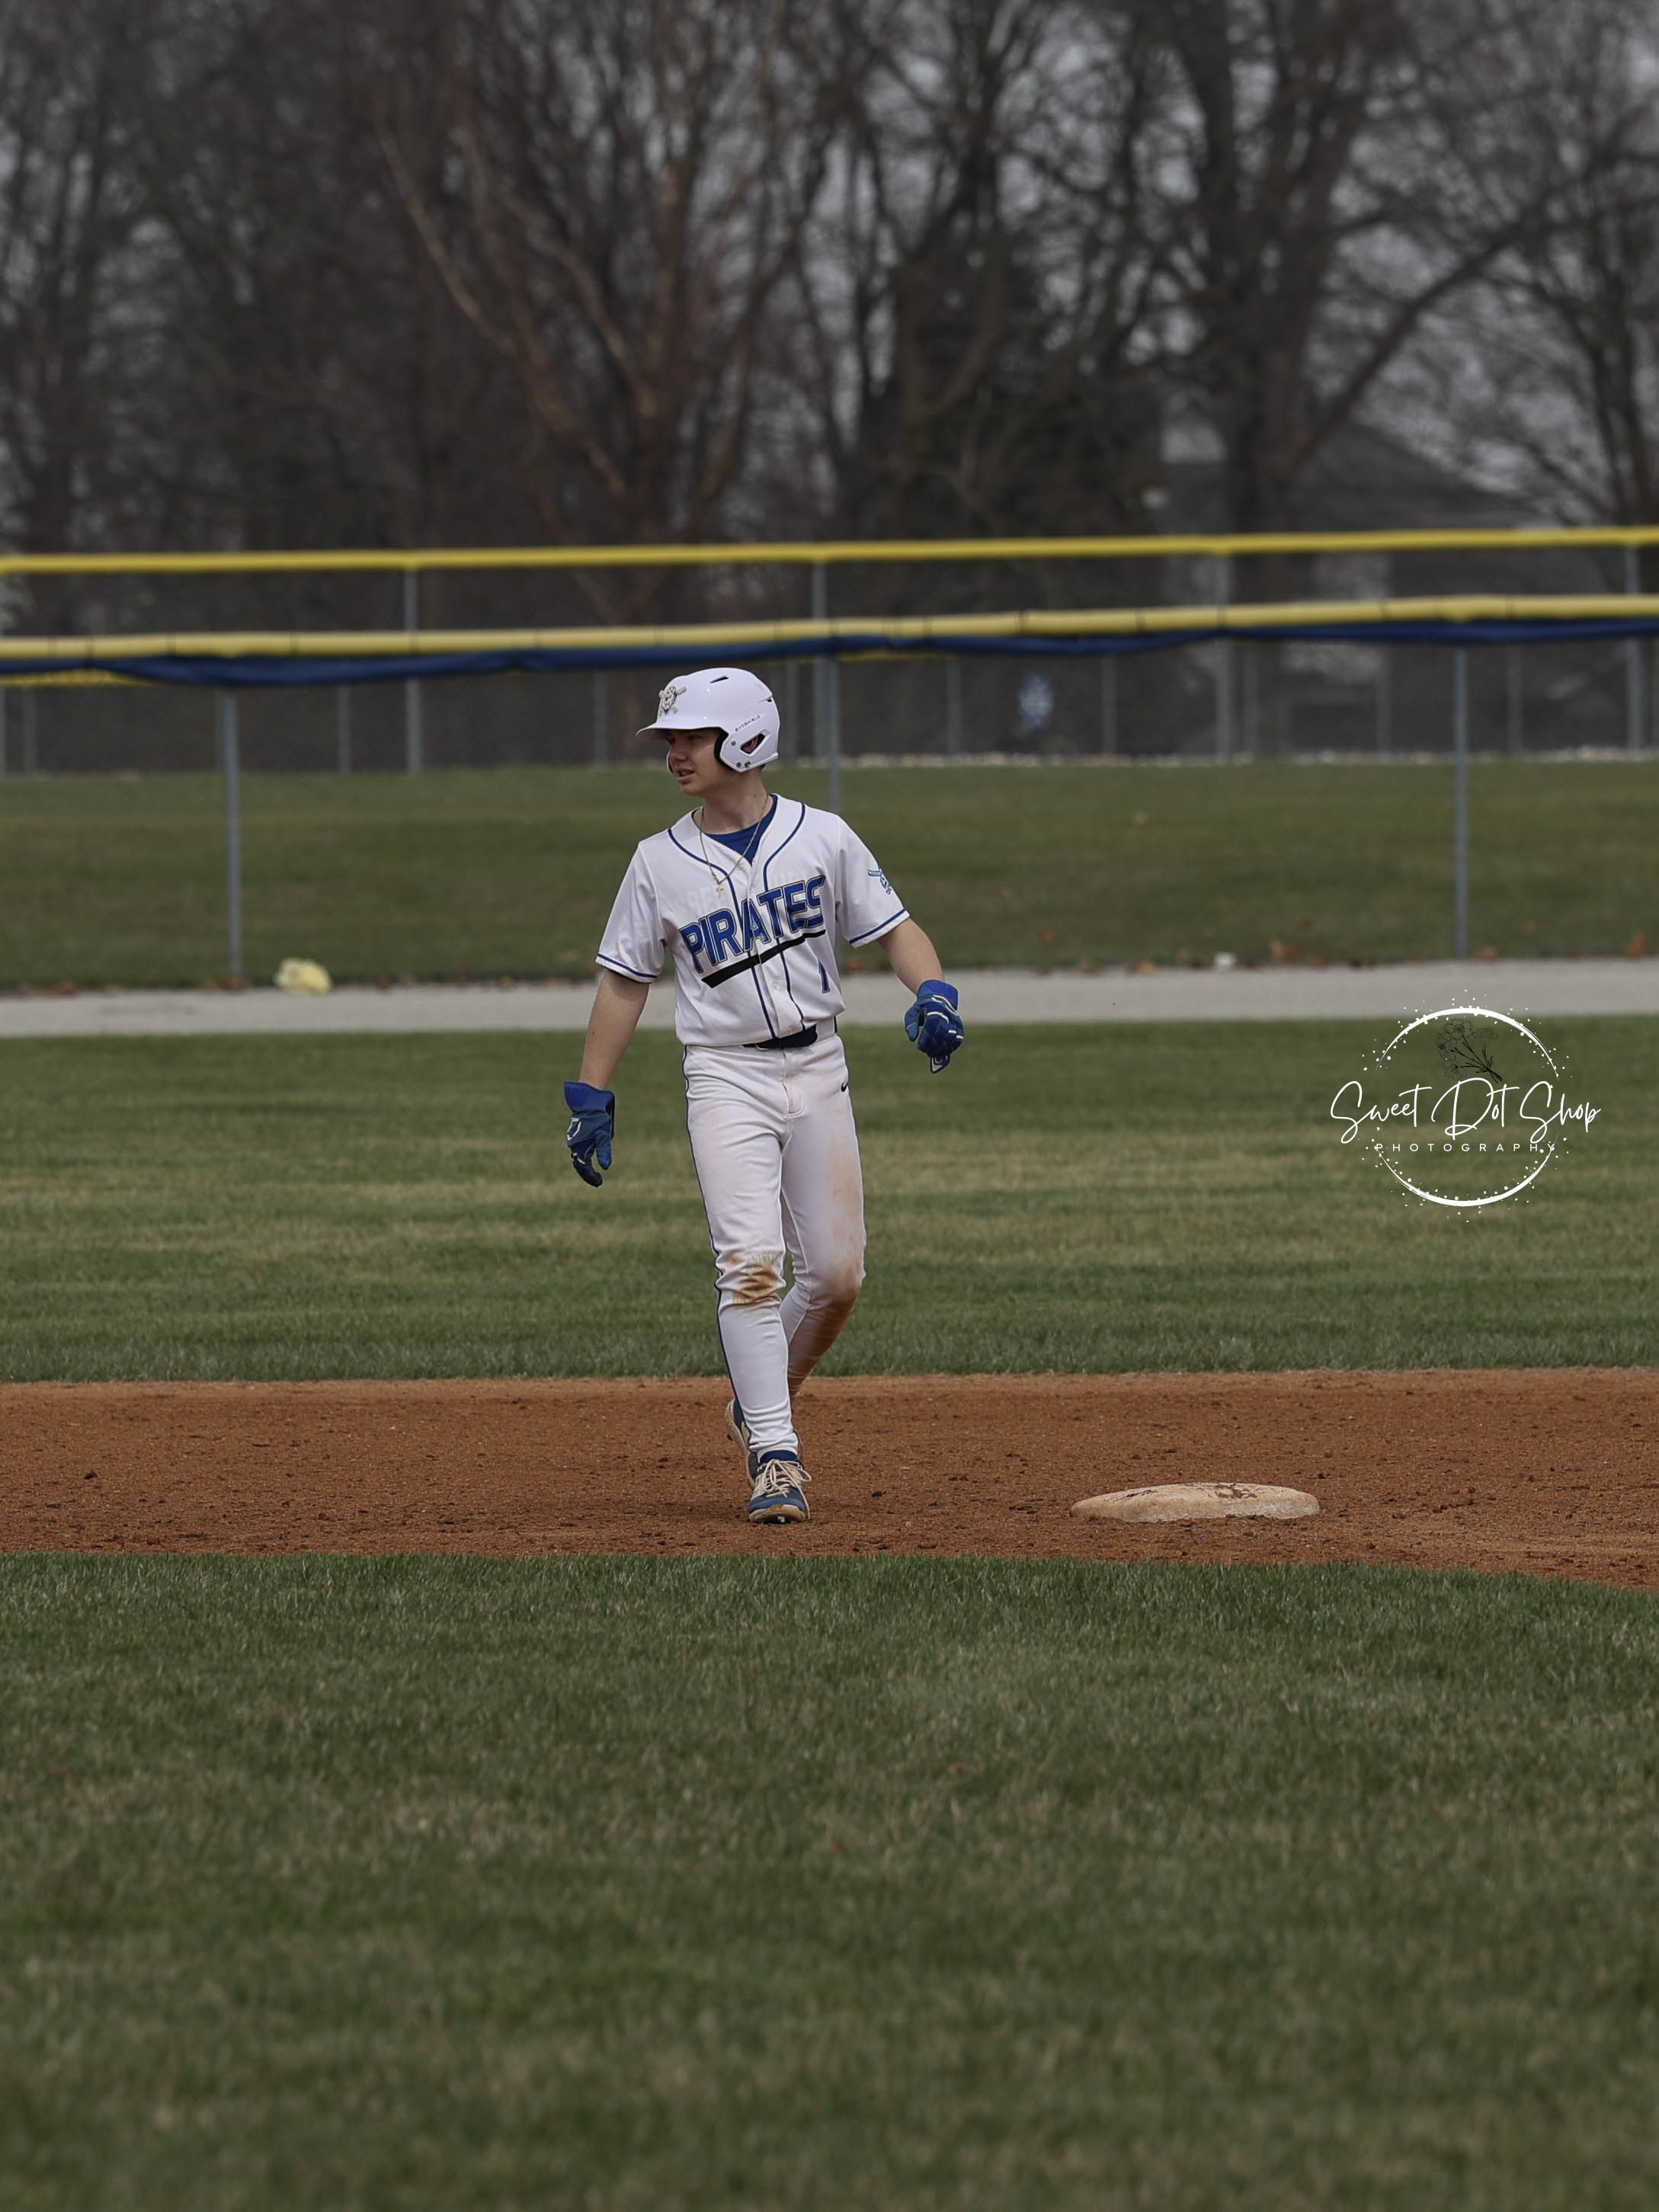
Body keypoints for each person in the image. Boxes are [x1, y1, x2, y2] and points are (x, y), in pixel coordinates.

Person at [562, 665, 965, 1525]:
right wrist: (591, 1093)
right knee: (748, 1263)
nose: (675, 753)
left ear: (746, 739)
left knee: (838, 1277)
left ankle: (758, 1398)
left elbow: (896, 929)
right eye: (670, 739)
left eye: (693, 737)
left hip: (818, 1067)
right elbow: (624, 982)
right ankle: (776, 1454)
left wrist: (933, 993)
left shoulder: (823, 836)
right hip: (723, 1076)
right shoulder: (657, 861)